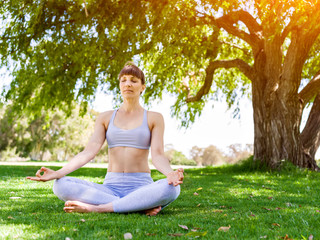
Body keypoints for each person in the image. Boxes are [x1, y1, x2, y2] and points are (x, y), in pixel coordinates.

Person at [27, 62, 184, 216]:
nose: (128, 84)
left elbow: (157, 155)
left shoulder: (154, 118)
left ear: (142, 87)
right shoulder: (105, 117)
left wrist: (170, 173)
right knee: (60, 185)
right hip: (109, 188)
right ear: (120, 86)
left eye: (134, 81)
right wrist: (57, 173)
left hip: (141, 186)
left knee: (172, 188)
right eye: (123, 80)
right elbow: (88, 152)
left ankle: (98, 208)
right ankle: (138, 204)